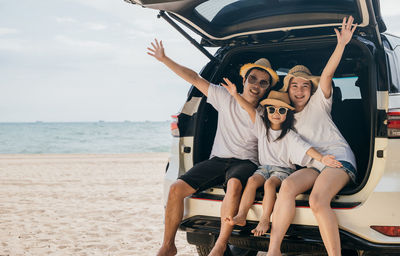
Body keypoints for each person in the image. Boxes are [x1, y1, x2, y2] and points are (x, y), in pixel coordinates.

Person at [147, 39, 280, 256]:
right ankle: (168, 245)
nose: (256, 85)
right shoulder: (224, 97)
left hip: (246, 162)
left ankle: (220, 245)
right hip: (218, 159)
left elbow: (252, 115)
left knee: (235, 184)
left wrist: (236, 95)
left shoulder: (266, 113)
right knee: (175, 189)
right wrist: (164, 59)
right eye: (253, 79)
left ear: (267, 88)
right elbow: (194, 78)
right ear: (244, 79)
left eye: (263, 82)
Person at [266, 16, 358, 256]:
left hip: (338, 160)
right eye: (294, 86)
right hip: (315, 164)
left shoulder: (320, 103)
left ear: (311, 89)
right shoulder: (282, 114)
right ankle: (274, 250)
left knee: (317, 201)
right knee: (286, 186)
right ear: (288, 88)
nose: (299, 90)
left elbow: (326, 75)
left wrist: (342, 45)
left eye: (305, 86)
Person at [220, 81, 342, 237]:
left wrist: (322, 158)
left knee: (270, 184)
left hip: (283, 170)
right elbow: (248, 109)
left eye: (281, 110)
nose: (276, 113)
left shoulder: (290, 135)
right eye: (271, 109)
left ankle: (265, 219)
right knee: (251, 181)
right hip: (264, 168)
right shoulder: (261, 127)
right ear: (266, 112)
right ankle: (241, 215)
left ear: (287, 114)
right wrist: (235, 94)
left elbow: (306, 148)